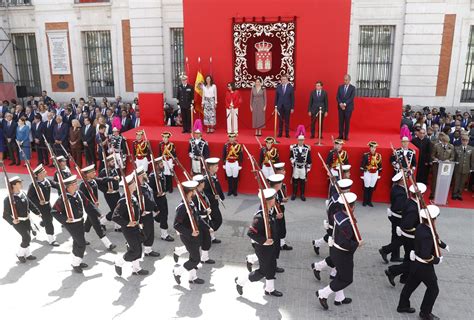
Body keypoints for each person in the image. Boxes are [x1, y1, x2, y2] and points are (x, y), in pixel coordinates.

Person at [397, 205, 448, 320]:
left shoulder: (421, 226)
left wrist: (443, 245)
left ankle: (402, 305)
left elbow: (435, 239)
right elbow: (425, 255)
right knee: (434, 289)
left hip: (416, 264)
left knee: (410, 284)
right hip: (424, 266)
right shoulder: (427, 235)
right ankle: (425, 313)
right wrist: (436, 260)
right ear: (433, 219)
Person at [235, 188, 283, 297]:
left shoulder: (268, 213)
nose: (275, 200)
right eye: (274, 199)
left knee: (271, 267)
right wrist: (264, 241)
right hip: (263, 248)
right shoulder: (260, 217)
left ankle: (269, 289)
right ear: (269, 201)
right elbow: (251, 233)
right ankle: (240, 281)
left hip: (271, 247)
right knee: (263, 271)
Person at [316, 192, 359, 310]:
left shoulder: (339, 215)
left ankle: (339, 298)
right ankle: (323, 294)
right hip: (342, 254)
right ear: (352, 207)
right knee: (346, 279)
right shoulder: (346, 222)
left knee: (340, 275)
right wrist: (357, 244)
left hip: (336, 251)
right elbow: (345, 243)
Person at [385, 183, 427, 287]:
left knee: (409, 258)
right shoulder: (414, 208)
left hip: (408, 237)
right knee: (413, 262)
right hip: (410, 237)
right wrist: (419, 232)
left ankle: (404, 278)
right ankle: (393, 271)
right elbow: (408, 225)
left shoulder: (410, 201)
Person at [311, 179, 353, 279]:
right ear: (345, 191)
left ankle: (328, 270)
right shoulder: (339, 202)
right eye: (349, 190)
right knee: (338, 254)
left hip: (335, 228)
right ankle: (321, 268)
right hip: (336, 229)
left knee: (338, 254)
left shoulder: (336, 197)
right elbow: (337, 218)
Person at [51, 175, 90, 273]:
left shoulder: (78, 193)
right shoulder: (63, 198)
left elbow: (88, 204)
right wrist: (65, 219)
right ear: (68, 187)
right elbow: (54, 211)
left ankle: (76, 260)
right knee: (81, 244)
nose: (76, 185)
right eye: (74, 184)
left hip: (81, 222)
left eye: (76, 183)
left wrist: (98, 213)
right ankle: (76, 264)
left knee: (77, 242)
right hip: (72, 224)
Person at [113, 173, 149, 276]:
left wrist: (140, 218)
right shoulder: (124, 201)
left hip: (136, 227)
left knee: (138, 248)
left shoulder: (132, 196)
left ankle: (136, 269)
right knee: (135, 250)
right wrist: (127, 223)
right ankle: (119, 262)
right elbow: (115, 216)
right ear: (128, 186)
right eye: (133, 183)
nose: (135, 184)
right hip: (128, 229)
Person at [172, 180, 205, 285]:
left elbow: (196, 217)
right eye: (194, 190)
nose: (195, 191)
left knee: (193, 257)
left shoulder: (190, 202)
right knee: (195, 259)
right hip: (188, 236)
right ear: (190, 192)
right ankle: (178, 272)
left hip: (194, 235)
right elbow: (176, 225)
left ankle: (193, 277)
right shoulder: (182, 207)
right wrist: (191, 233)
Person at [3, 176, 41, 263]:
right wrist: (12, 221)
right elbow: (5, 215)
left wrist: (38, 212)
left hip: (27, 220)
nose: (21, 184)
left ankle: (27, 254)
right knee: (26, 237)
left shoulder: (22, 194)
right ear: (14, 185)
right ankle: (20, 254)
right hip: (18, 222)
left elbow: (30, 204)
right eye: (19, 183)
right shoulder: (8, 199)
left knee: (27, 237)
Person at [79, 164, 117, 251]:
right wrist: (95, 208)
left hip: (95, 205)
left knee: (88, 223)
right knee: (98, 226)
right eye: (92, 172)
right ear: (87, 174)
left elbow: (103, 180)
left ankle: (81, 239)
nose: (94, 173)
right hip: (90, 208)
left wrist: (112, 178)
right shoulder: (83, 185)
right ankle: (108, 244)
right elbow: (83, 199)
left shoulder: (93, 180)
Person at [28, 164, 60, 247]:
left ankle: (35, 227)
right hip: (40, 207)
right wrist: (38, 202)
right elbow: (29, 198)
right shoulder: (34, 185)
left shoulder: (46, 180)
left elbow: (56, 185)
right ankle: (51, 239)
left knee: (48, 219)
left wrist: (65, 185)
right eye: (43, 171)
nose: (46, 172)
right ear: (39, 174)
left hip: (47, 204)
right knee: (48, 221)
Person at [378, 172, 406, 263]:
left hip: (394, 216)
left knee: (395, 237)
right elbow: (399, 207)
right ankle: (385, 250)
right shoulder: (400, 192)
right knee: (403, 238)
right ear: (401, 180)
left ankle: (395, 256)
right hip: (399, 218)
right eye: (404, 178)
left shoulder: (397, 188)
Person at [135, 167, 161, 258]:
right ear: (139, 177)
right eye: (143, 174)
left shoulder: (146, 185)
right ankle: (132, 246)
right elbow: (134, 204)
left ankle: (148, 250)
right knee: (143, 233)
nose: (145, 174)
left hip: (149, 214)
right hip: (143, 215)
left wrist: (156, 208)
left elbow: (151, 198)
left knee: (150, 233)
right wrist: (139, 213)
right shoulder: (136, 190)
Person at [148, 156, 174, 241]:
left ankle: (154, 219)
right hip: (157, 199)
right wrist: (156, 194)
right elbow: (149, 190)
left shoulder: (161, 174)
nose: (163, 166)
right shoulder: (152, 177)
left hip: (163, 197)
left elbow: (165, 185)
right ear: (156, 166)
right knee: (164, 215)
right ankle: (164, 234)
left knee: (163, 214)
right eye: (161, 164)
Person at [203, 157, 225, 243]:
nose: (218, 167)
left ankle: (211, 237)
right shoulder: (206, 179)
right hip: (210, 204)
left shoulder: (213, 176)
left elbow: (217, 187)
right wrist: (213, 197)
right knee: (218, 220)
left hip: (215, 203)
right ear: (210, 167)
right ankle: (207, 234)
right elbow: (204, 193)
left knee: (211, 220)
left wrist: (221, 196)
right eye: (216, 166)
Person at [429, 132, 455, 199]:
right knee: (435, 179)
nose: (445, 143)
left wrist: (449, 160)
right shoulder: (436, 146)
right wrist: (436, 159)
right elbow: (432, 155)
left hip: (446, 167)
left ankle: (441, 194)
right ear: (442, 141)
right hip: (437, 165)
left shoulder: (451, 146)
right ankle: (433, 193)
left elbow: (452, 156)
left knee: (444, 180)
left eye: (447, 142)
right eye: (444, 142)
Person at [289, 133, 312, 201]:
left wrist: (308, 167)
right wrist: (292, 160)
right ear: (297, 140)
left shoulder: (307, 148)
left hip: (303, 167)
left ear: (304, 140)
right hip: (296, 167)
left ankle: (302, 194)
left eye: (302, 140)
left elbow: (309, 158)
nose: (301, 141)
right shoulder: (293, 147)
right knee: (295, 181)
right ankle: (294, 194)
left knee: (303, 181)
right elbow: (290, 156)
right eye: (299, 140)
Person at [360, 141, 382, 207]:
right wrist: (367, 168)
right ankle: (365, 201)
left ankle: (369, 201)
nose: (373, 149)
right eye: (372, 147)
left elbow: (380, 166)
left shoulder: (379, 156)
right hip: (367, 173)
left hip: (375, 173)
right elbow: (362, 165)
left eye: (374, 147)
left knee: (371, 188)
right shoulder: (366, 155)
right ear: (369, 148)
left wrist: (378, 172)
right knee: (366, 187)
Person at [452, 134, 474, 200]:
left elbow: (472, 159)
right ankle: (454, 193)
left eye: (466, 141)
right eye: (463, 140)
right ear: (461, 141)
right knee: (456, 181)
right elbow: (454, 158)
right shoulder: (456, 148)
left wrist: (472, 168)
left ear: (468, 141)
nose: (465, 142)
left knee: (463, 182)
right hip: (457, 167)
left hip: (466, 168)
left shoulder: (471, 149)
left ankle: (459, 194)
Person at [336, 74, 356, 140]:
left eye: (346, 80)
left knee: (347, 122)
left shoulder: (352, 88)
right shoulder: (340, 87)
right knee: (341, 122)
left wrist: (344, 104)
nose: (345, 81)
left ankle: (346, 136)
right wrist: (340, 103)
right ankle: (340, 135)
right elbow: (337, 97)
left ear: (349, 80)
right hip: (340, 107)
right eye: (344, 80)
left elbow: (351, 98)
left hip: (348, 108)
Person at [222, 132, 243, 196]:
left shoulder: (238, 146)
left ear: (235, 138)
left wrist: (240, 164)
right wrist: (224, 163)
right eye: (230, 137)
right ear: (228, 138)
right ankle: (230, 190)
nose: (231, 139)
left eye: (233, 137)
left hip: (235, 163)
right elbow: (224, 155)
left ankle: (235, 191)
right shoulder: (226, 145)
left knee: (235, 178)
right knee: (229, 177)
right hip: (228, 163)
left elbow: (241, 156)